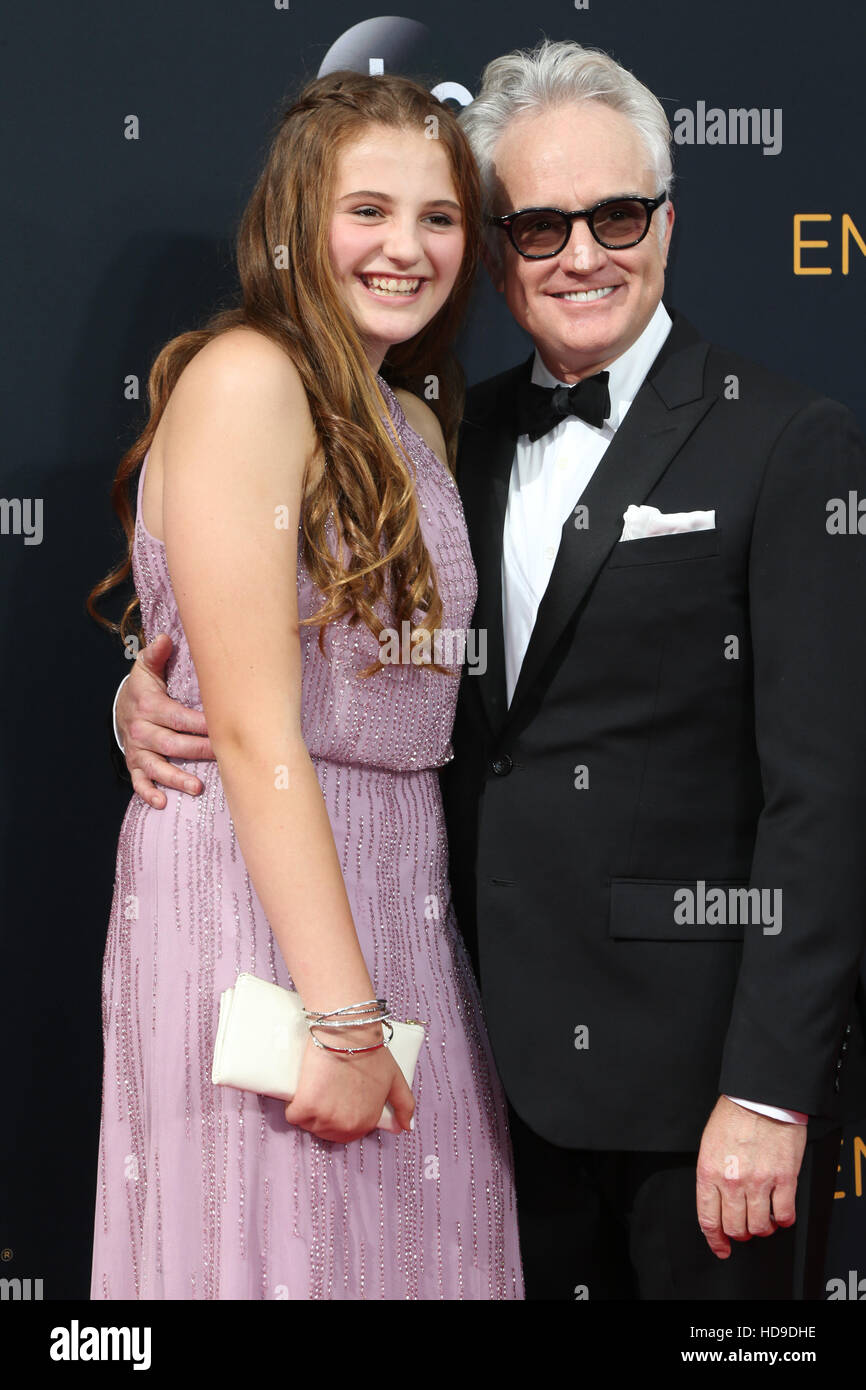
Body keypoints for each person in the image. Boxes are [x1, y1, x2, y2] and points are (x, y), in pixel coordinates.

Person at [114, 41, 866, 1300]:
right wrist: (148, 686)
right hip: (465, 1040)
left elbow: (825, 792)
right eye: (536, 224)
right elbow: (284, 628)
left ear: (667, 223)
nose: (581, 253)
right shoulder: (446, 431)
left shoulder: (786, 441)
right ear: (503, 250)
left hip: (693, 1092)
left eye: (615, 215)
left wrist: (767, 1087)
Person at [88, 69, 523, 1300]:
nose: (407, 246)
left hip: (392, 882)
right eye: (367, 210)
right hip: (258, 902)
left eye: (438, 217)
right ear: (291, 221)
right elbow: (246, 717)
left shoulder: (408, 423)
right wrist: (340, 1017)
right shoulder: (247, 377)